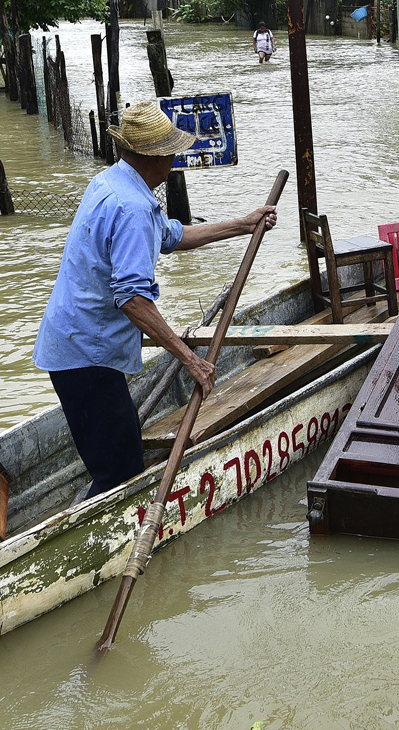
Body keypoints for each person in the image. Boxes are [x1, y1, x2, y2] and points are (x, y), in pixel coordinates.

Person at [32, 103, 277, 501]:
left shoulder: (111, 182)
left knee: (118, 453)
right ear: (154, 157)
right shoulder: (132, 207)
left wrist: (243, 225)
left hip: (73, 346)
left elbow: (170, 236)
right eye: (171, 152)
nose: (174, 160)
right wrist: (190, 359)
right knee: (122, 477)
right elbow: (133, 299)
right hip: (87, 357)